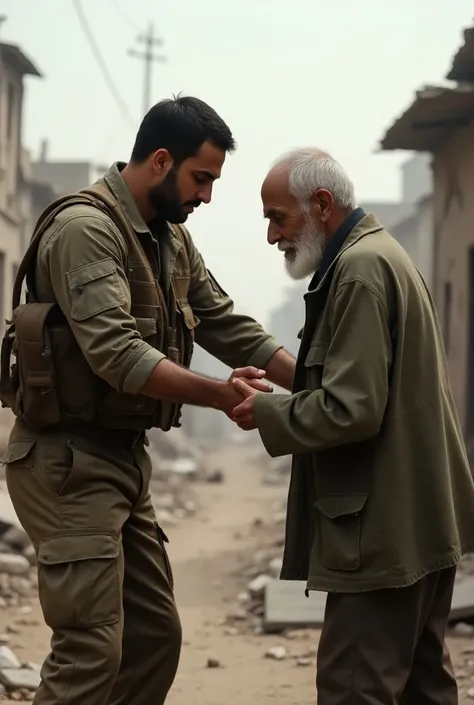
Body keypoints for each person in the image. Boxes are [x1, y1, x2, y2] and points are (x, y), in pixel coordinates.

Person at [1, 96, 295, 705]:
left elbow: (224, 323)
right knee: (89, 649)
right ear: (161, 160)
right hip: (67, 464)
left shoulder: (170, 240)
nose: (206, 197)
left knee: (153, 637)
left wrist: (314, 381)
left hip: (120, 461)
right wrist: (220, 393)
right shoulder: (86, 230)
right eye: (201, 179)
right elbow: (119, 354)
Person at [232, 148, 474, 705]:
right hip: (419, 522)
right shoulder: (380, 257)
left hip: (383, 533)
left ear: (321, 205)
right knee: (421, 688)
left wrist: (265, 411)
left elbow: (354, 408)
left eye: (278, 217)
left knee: (354, 689)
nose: (272, 236)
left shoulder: (360, 270)